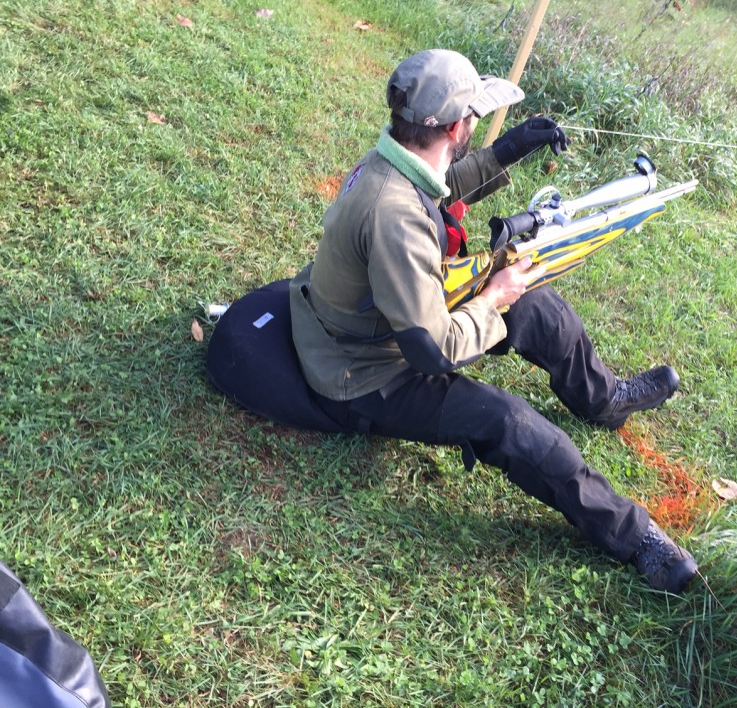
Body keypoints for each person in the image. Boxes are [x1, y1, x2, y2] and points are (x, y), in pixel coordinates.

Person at [289, 49, 698, 593]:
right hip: (363, 370)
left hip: (381, 322)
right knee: (509, 422)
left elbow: (438, 187)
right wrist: (494, 298)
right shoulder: (395, 217)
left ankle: (605, 399)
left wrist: (510, 148)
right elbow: (431, 351)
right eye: (475, 119)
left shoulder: (391, 159)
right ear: (457, 125)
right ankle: (634, 534)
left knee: (539, 307)